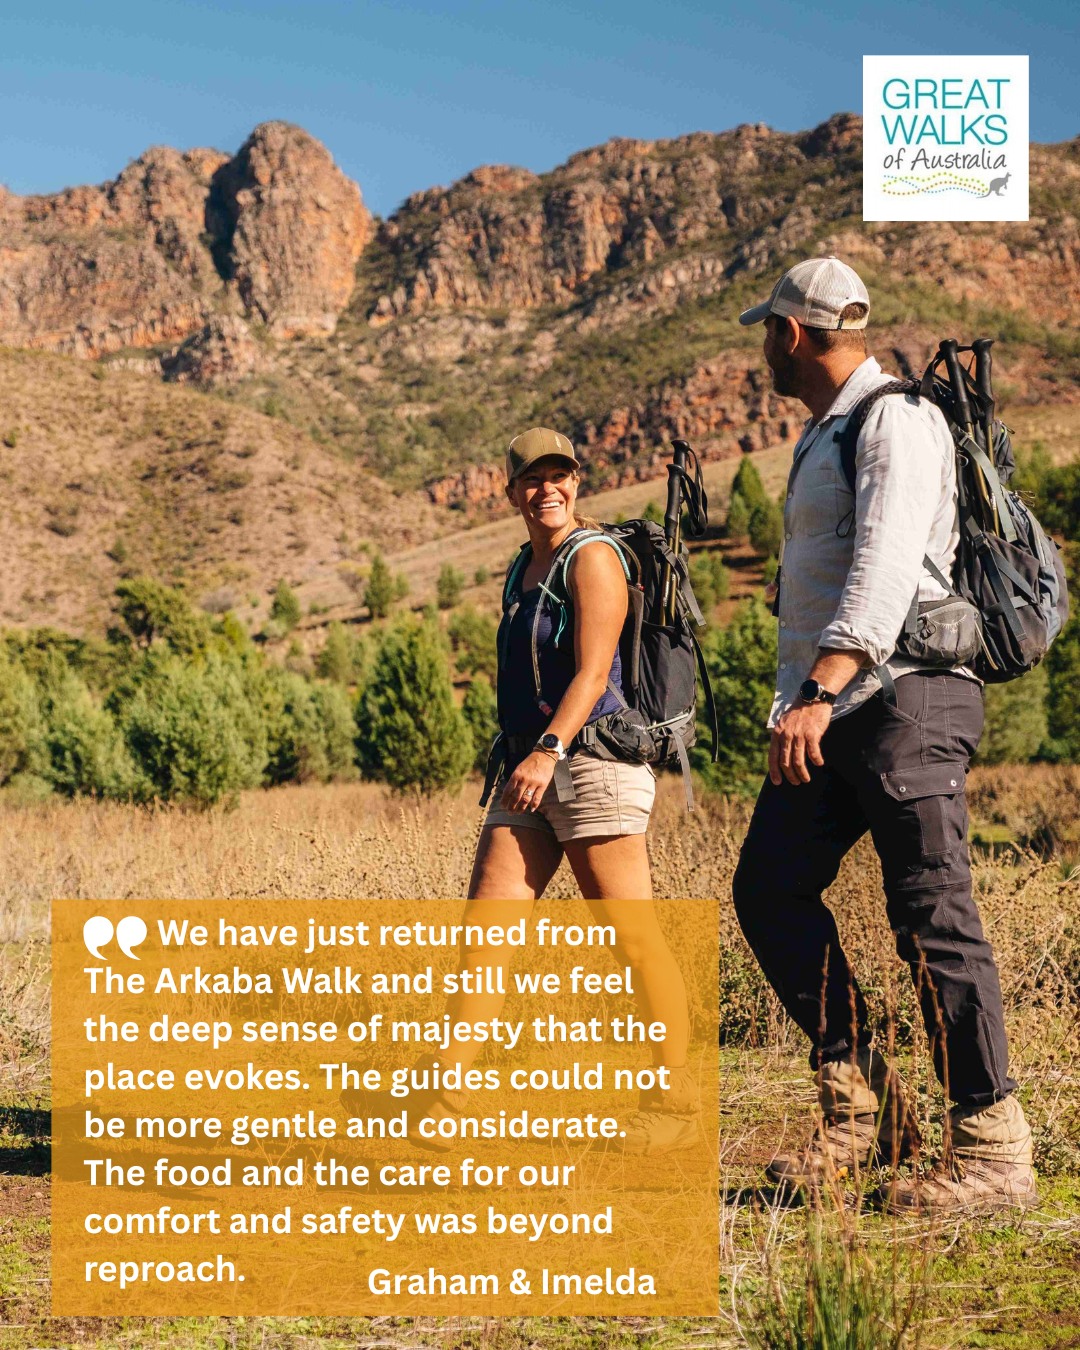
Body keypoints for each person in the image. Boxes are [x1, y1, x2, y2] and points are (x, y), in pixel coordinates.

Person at [731, 257, 1036, 1214]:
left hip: (903, 700)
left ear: (790, 333)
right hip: (841, 707)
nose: (763, 350)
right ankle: (866, 1111)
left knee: (929, 913)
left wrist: (820, 683)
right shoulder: (825, 434)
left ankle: (992, 1154)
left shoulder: (895, 418)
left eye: (765, 334)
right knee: (770, 889)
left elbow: (890, 559)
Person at [360, 428, 700, 1155]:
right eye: (533, 479)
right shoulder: (523, 565)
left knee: (632, 939)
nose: (548, 489)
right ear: (511, 491)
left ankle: (674, 1098)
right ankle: (443, 1098)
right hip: (527, 770)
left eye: (560, 476)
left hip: (590, 764)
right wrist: (531, 757)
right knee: (484, 934)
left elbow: (591, 671)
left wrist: (549, 749)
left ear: (577, 483)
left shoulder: (594, 557)